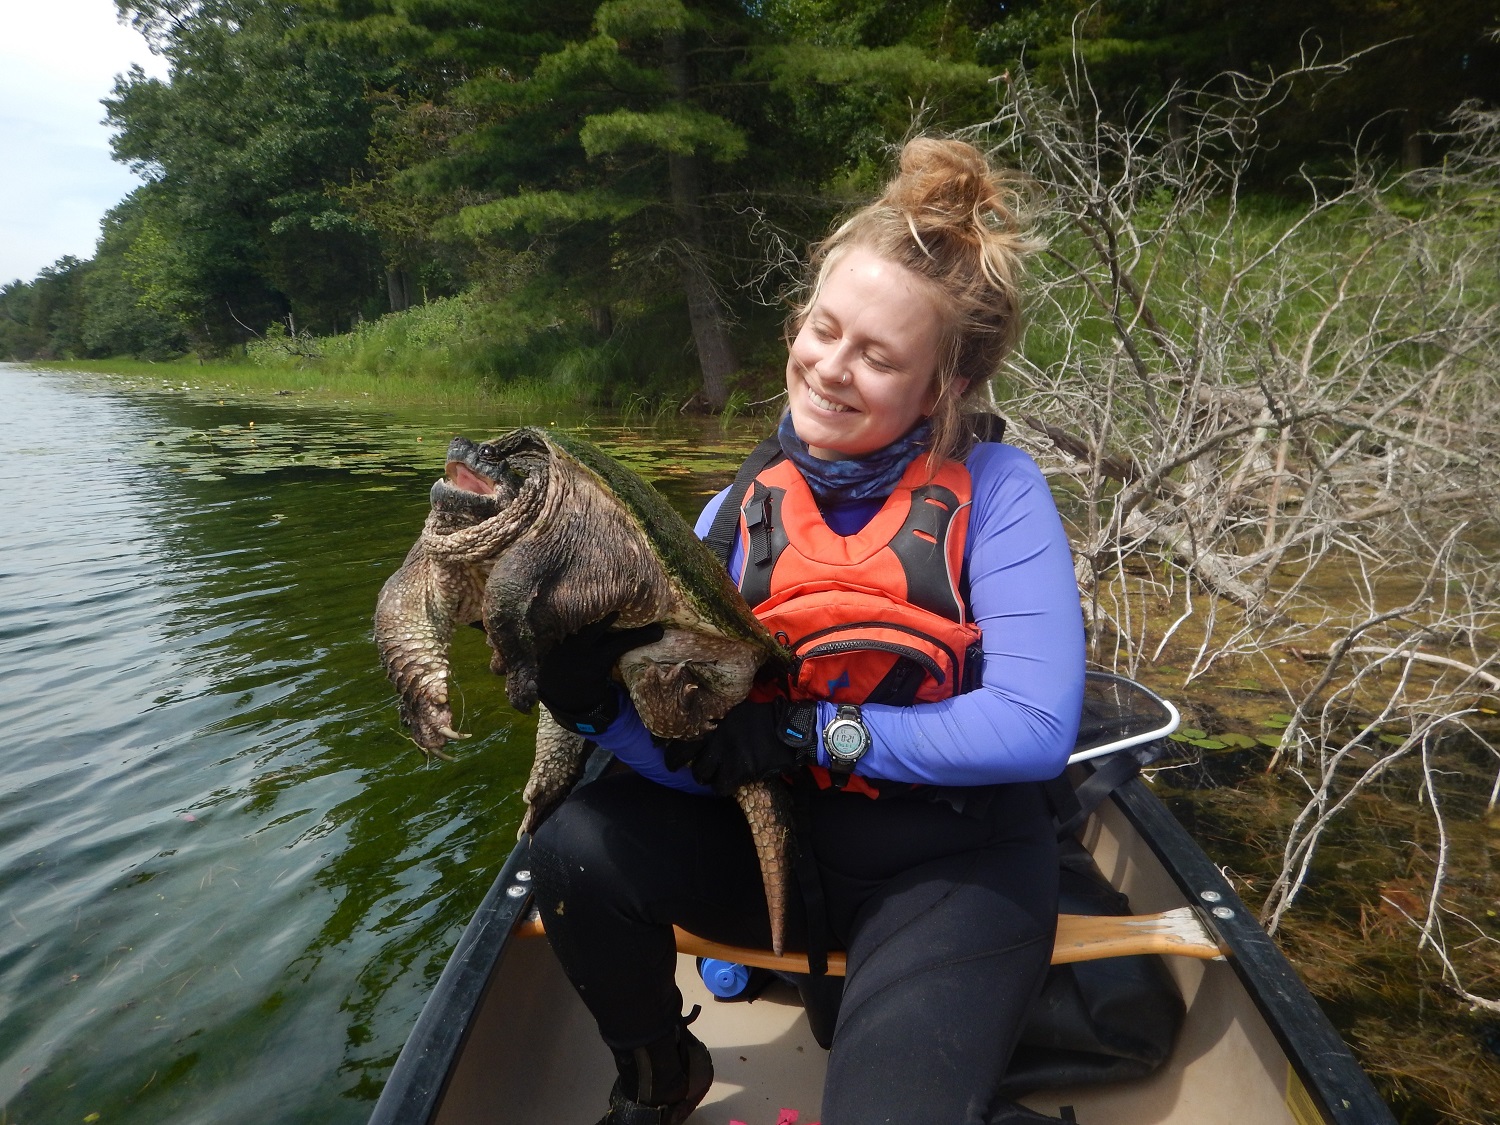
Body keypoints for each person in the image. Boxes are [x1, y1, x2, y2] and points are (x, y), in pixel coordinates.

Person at [529, 136, 1086, 1125]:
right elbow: (695, 759)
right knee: (576, 847)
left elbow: (1036, 726)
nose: (829, 368)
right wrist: (592, 707)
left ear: (943, 390)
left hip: (948, 868)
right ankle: (658, 1070)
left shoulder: (1001, 492)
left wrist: (811, 730)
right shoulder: (733, 513)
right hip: (775, 852)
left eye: (877, 356)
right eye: (824, 330)